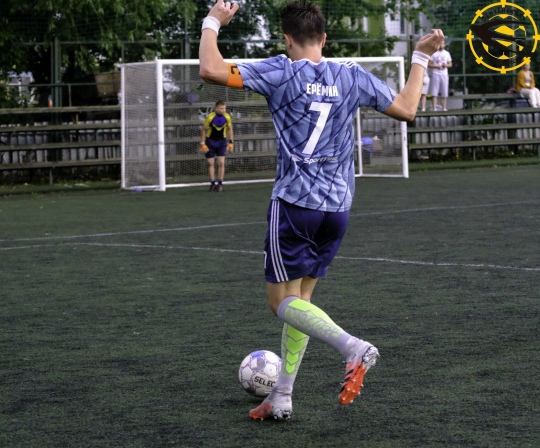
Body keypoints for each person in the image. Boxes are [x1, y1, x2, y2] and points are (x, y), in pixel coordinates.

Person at [199, 0, 444, 421]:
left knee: (281, 302)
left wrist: (212, 22)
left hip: (295, 204)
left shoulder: (281, 70)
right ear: (324, 38)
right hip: (337, 208)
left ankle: (353, 347)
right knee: (302, 303)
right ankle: (281, 396)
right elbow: (407, 109)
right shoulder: (350, 75)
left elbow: (210, 69)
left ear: (287, 40)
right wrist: (420, 57)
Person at [200, 100, 234, 192]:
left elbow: (230, 129)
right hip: (210, 142)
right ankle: (212, 184)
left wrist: (231, 142)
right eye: (221, 108)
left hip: (222, 142)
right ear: (216, 108)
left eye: (225, 108)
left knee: (221, 163)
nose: (224, 110)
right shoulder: (210, 117)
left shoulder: (227, 117)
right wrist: (202, 143)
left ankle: (220, 184)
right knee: (210, 163)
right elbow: (203, 129)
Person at [428, 40, 452, 111]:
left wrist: (445, 65)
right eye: (440, 43)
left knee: (444, 91)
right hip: (436, 73)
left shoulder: (447, 53)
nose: (442, 45)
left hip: (444, 74)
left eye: (443, 43)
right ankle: (434, 108)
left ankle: (444, 108)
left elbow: (450, 64)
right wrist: (436, 66)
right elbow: (429, 64)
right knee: (434, 91)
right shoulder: (434, 53)